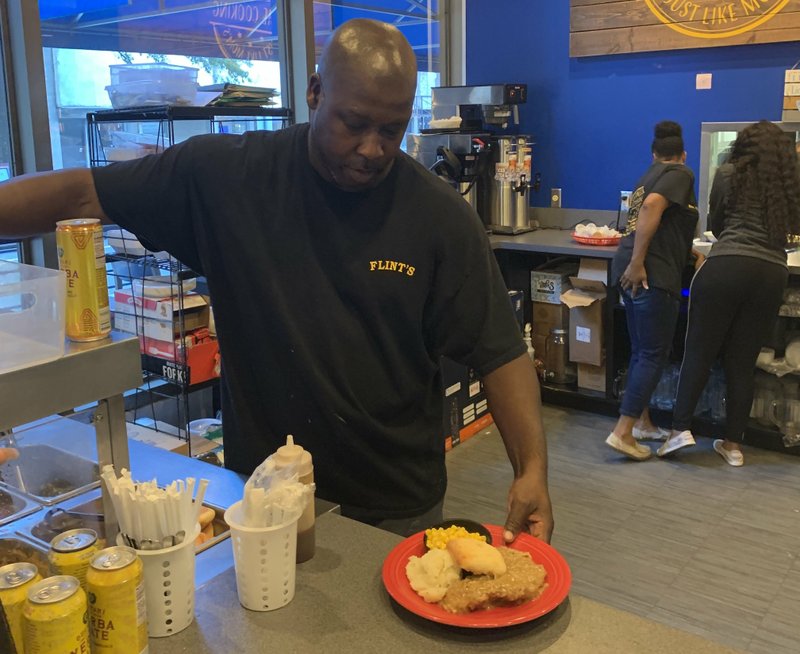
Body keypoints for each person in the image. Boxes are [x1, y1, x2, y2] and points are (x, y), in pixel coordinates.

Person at [0, 19, 553, 542]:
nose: (372, 149)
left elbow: (499, 351)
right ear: (315, 93)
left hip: (396, 506)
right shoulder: (226, 178)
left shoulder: (438, 217)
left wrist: (532, 471)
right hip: (263, 497)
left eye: (392, 128)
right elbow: (79, 194)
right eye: (354, 123)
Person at [659, 120, 800, 465]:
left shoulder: (728, 173)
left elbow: (717, 224)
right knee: (743, 360)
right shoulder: (789, 183)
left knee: (700, 353)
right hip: (771, 272)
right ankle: (734, 445)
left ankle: (679, 430)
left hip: (726, 267)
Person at [606, 121, 699, 461]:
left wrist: (687, 252)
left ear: (654, 154)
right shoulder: (681, 173)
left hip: (631, 271)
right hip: (650, 275)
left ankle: (642, 423)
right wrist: (639, 262)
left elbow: (658, 223)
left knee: (639, 351)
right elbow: (651, 209)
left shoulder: (646, 177)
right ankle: (623, 431)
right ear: (682, 155)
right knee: (652, 354)